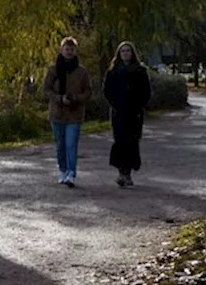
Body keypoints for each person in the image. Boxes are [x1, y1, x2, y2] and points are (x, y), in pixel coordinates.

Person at [41, 36, 92, 188]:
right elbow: (46, 89)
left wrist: (76, 98)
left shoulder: (81, 72)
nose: (69, 52)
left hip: (75, 114)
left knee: (71, 144)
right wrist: (59, 98)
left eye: (72, 49)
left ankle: (71, 173)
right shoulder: (53, 70)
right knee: (60, 144)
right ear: (61, 50)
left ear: (75, 51)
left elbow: (88, 91)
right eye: (66, 49)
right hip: (57, 113)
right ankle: (62, 170)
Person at [103, 41, 152, 188]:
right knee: (119, 141)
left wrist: (139, 105)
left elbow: (146, 92)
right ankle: (121, 172)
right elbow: (106, 90)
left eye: (128, 51)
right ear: (119, 53)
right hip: (118, 112)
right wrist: (115, 104)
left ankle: (128, 173)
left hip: (134, 113)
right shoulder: (113, 71)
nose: (125, 53)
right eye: (123, 51)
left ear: (132, 53)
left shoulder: (140, 71)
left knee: (132, 142)